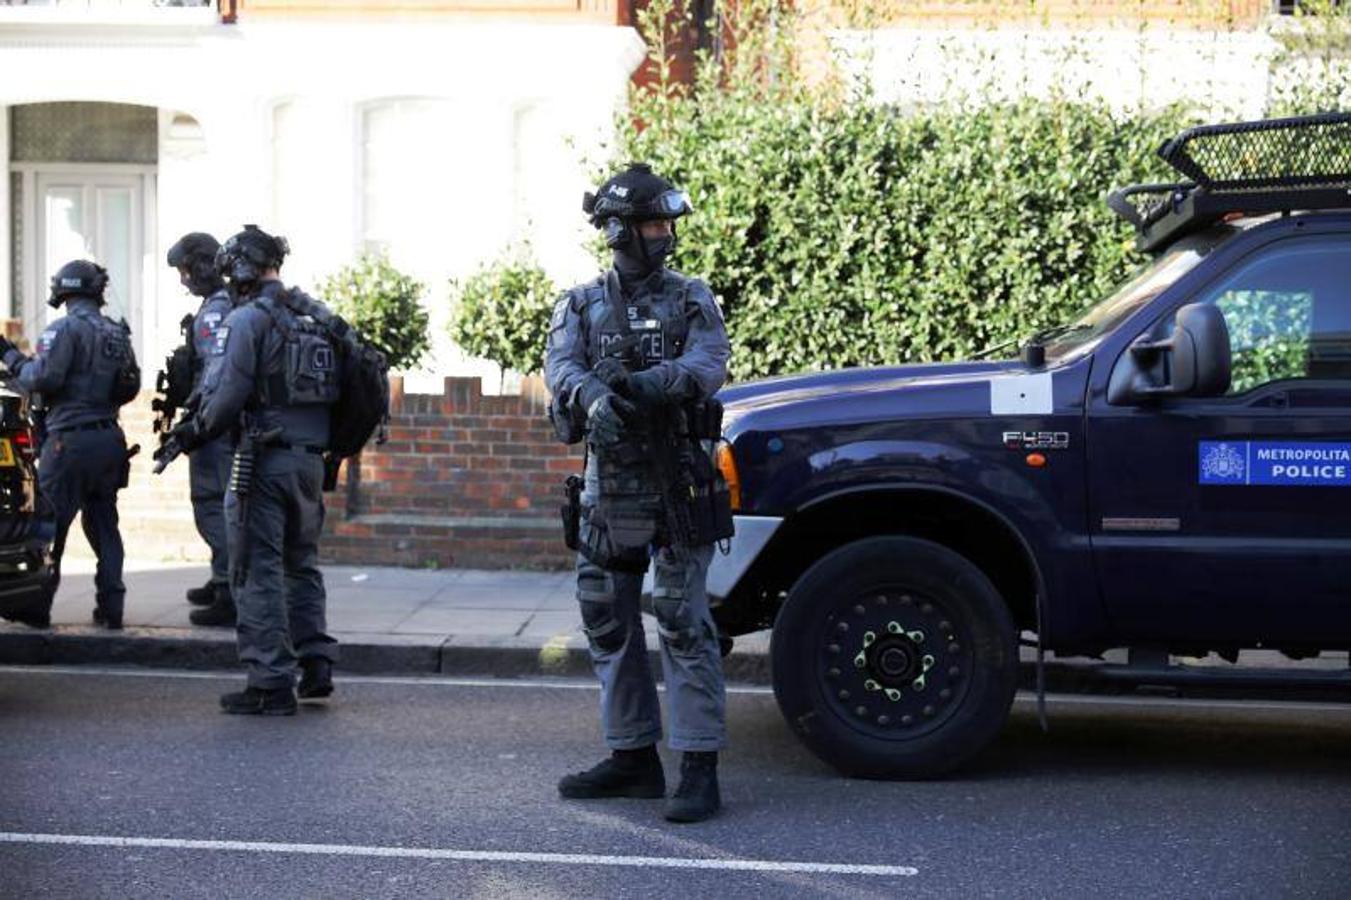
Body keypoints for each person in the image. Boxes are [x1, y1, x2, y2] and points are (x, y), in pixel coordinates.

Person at [545, 163, 733, 823]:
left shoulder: (691, 297)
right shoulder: (580, 303)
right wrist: (593, 396)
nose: (663, 235)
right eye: (653, 223)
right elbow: (561, 367)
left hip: (678, 480)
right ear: (621, 230)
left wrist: (653, 384)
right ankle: (632, 758)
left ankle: (698, 767)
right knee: (605, 616)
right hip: (609, 488)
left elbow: (710, 363)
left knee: (682, 620)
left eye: (665, 223)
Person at [167, 225, 339, 716]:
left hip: (260, 462)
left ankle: (270, 682)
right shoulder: (314, 318)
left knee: (254, 568)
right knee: (301, 565)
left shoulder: (248, 321)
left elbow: (224, 398)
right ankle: (316, 664)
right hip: (309, 461)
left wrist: (192, 433)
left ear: (240, 268)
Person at [0, 260, 140, 629]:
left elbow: (41, 378)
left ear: (63, 290)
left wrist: (9, 355)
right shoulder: (116, 333)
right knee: (105, 525)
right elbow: (129, 387)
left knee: (51, 528)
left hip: (69, 442)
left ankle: (38, 609)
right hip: (109, 438)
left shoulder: (63, 329)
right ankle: (112, 608)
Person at [165, 232, 239, 626]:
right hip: (221, 420)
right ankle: (221, 577)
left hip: (214, 424)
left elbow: (214, 372)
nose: (183, 279)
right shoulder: (229, 303)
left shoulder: (214, 311)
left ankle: (229, 590)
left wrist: (194, 422)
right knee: (220, 503)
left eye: (186, 270)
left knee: (212, 503)